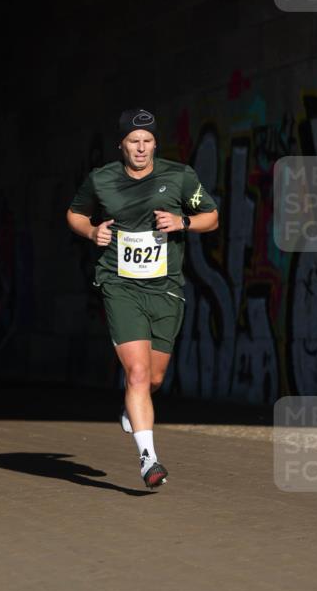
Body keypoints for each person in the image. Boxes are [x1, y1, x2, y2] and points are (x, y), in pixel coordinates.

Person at [67, 109, 219, 488]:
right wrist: (91, 232)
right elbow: (74, 214)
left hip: (165, 287)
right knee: (135, 373)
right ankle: (148, 459)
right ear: (122, 144)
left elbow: (212, 217)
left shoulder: (179, 176)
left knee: (153, 377)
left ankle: (132, 410)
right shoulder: (101, 179)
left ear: (155, 143)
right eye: (134, 141)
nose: (141, 148)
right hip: (120, 284)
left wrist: (183, 222)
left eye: (147, 141)